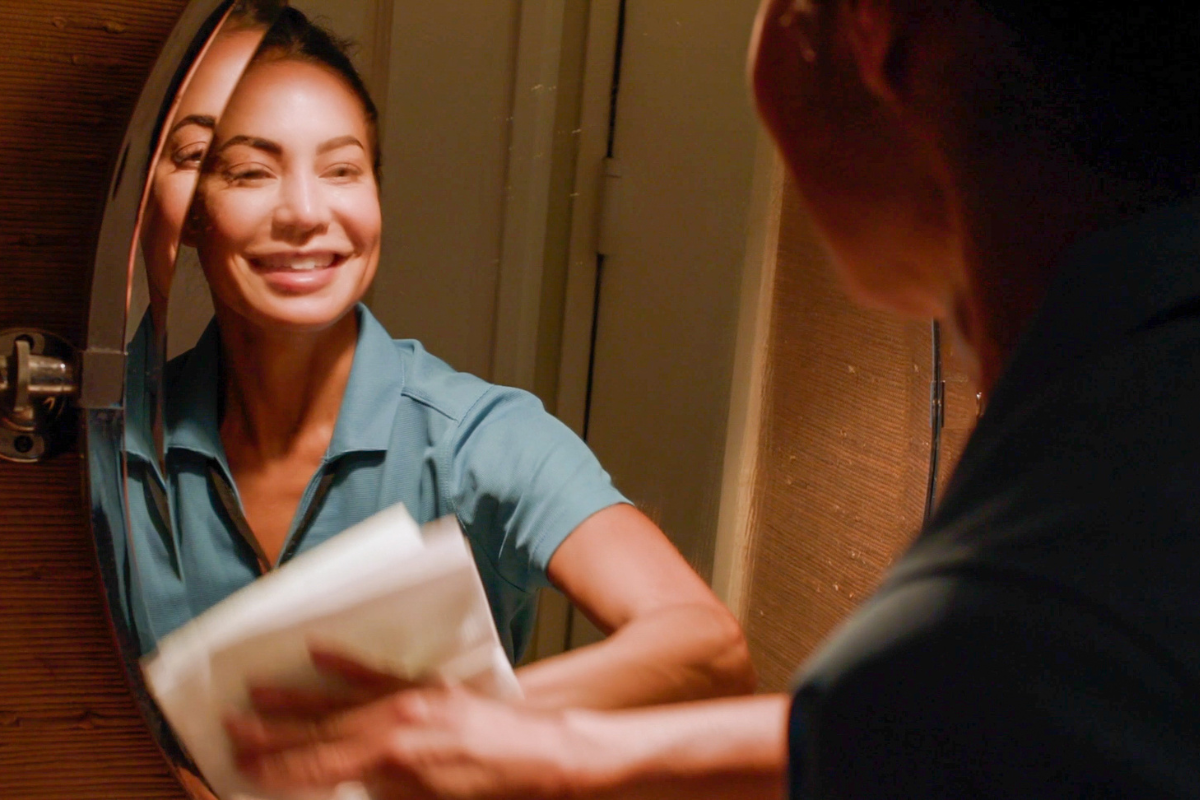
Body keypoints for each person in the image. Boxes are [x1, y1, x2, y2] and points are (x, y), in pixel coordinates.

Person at [225, 0, 1200, 797]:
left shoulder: (1007, 618)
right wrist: (559, 752)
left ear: (876, 34)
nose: (301, 210)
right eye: (240, 167)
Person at [135, 6, 753, 717]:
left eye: (342, 169)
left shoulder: (480, 438)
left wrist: (443, 718)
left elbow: (708, 651)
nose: (305, 211)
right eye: (249, 173)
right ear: (188, 209)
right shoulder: (116, 435)